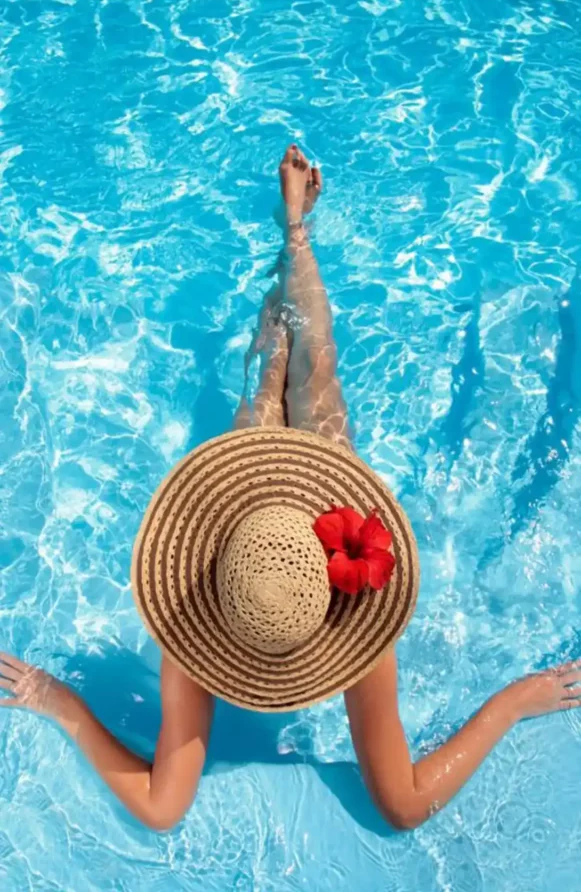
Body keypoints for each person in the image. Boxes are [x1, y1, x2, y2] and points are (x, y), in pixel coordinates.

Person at [1, 145, 580, 833]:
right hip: (289, 527)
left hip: (263, 528)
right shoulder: (348, 616)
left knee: (284, 373)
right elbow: (402, 805)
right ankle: (296, 234)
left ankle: (295, 236)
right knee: (303, 374)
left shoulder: (199, 623)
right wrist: (510, 701)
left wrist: (62, 702)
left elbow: (163, 807)